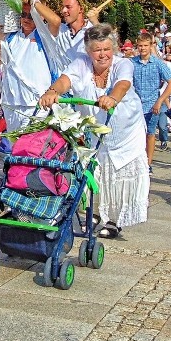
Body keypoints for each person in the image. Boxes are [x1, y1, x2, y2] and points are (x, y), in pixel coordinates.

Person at [39, 24, 149, 238]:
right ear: (89, 51)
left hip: (126, 132)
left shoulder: (123, 64)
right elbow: (65, 80)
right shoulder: (81, 63)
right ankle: (95, 212)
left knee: (119, 175)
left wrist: (112, 98)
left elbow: (123, 84)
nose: (102, 54)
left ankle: (114, 220)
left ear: (113, 49)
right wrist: (51, 92)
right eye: (97, 50)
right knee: (94, 172)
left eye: (106, 49)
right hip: (97, 131)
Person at [0, 0, 55, 132]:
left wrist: (33, 2)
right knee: (16, 148)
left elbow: (56, 21)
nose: (26, 19)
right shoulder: (11, 37)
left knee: (28, 146)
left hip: (36, 102)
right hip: (10, 102)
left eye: (31, 16)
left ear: (40, 16)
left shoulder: (45, 36)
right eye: (23, 15)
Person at [131, 32, 171, 172]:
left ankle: (148, 163)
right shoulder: (132, 63)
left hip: (152, 104)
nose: (142, 48)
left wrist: (160, 100)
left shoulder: (157, 63)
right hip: (136, 105)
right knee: (136, 134)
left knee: (150, 134)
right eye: (140, 46)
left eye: (145, 45)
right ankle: (136, 160)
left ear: (151, 46)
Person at [26, 0, 93, 68]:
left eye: (68, 7)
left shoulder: (94, 30)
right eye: (63, 7)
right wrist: (31, 1)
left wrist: (96, 22)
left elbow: (107, 47)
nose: (63, 10)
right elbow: (54, 20)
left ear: (81, 9)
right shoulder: (60, 29)